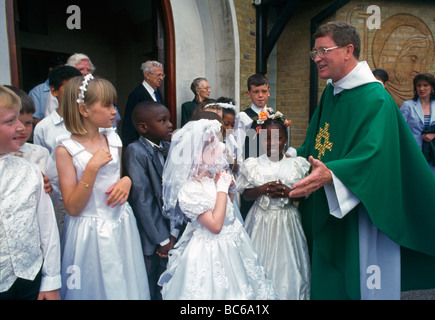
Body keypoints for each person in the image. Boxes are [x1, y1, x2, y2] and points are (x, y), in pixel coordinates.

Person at [289, 21, 435, 300]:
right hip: (327, 199)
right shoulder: (331, 92)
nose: (317, 58)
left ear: (348, 50)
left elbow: (377, 154)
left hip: (361, 206)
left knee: (359, 281)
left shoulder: (375, 97)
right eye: (314, 52)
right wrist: (288, 159)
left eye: (323, 50)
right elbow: (316, 142)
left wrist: (334, 174)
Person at [157, 118, 278, 300]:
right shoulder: (190, 190)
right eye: (213, 149)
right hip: (210, 252)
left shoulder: (213, 178)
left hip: (233, 244)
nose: (220, 151)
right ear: (197, 155)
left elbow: (227, 208)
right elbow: (215, 226)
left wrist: (228, 189)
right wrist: (222, 188)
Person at [55, 74, 150, 300]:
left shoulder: (114, 140)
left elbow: (119, 178)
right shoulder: (65, 150)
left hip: (120, 224)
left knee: (125, 283)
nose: (114, 111)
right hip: (89, 233)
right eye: (107, 105)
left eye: (114, 104)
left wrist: (126, 181)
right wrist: (91, 168)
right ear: (84, 110)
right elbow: (73, 208)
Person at [236, 109, 311, 300]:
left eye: (277, 138)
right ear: (260, 140)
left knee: (288, 265)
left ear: (285, 139)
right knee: (259, 262)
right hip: (261, 219)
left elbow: (304, 196)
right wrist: (261, 190)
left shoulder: (297, 164)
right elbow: (245, 196)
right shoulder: (253, 164)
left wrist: (289, 192)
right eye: (267, 139)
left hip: (287, 221)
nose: (272, 143)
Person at [0, 85, 61, 300]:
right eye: (10, 121)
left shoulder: (31, 171)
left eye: (22, 120)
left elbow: (48, 228)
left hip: (29, 279)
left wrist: (51, 280)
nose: (21, 128)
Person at [123, 101, 178, 300]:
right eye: (162, 121)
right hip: (151, 234)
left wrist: (173, 232)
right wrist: (162, 238)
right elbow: (142, 198)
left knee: (169, 283)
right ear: (143, 127)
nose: (170, 124)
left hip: (172, 229)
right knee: (150, 281)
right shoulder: (135, 151)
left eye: (169, 119)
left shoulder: (170, 147)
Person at [33, 65, 82, 235]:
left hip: (87, 195)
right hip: (59, 199)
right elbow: (42, 166)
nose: (75, 94)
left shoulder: (89, 122)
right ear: (54, 91)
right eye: (69, 88)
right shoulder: (44, 128)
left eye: (79, 88)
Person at [5, 85, 53, 195]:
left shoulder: (40, 153)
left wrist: (49, 188)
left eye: (28, 123)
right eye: (12, 122)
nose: (22, 129)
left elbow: (55, 191)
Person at [400, 73, 435, 177]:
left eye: (425, 85)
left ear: (432, 88)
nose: (422, 88)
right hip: (413, 152)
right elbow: (400, 129)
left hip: (433, 152)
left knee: (431, 184)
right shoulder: (407, 106)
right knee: (414, 181)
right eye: (419, 85)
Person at [238, 73, 271, 220]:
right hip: (251, 170)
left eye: (264, 91)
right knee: (250, 210)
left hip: (270, 167)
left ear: (269, 92)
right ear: (248, 93)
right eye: (256, 92)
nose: (260, 96)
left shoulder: (273, 115)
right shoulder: (243, 117)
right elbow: (238, 146)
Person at [66, 53, 121, 132]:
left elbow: (117, 119)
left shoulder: (99, 90)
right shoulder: (65, 92)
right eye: (81, 69)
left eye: (88, 70)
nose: (85, 72)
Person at [122, 61, 165, 147]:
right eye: (158, 75)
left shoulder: (157, 93)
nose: (161, 78)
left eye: (162, 75)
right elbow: (130, 122)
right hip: (142, 145)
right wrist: (131, 145)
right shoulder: (137, 94)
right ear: (147, 75)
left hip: (156, 143)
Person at [29, 54, 67, 126]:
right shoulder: (36, 92)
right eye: (60, 70)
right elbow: (35, 118)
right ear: (51, 70)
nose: (62, 74)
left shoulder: (71, 89)